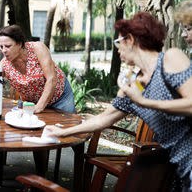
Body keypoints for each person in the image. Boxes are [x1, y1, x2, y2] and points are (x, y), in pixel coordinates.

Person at [43, 12, 192, 191]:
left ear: (130, 40)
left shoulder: (170, 59)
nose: (117, 49)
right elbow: (104, 118)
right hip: (171, 164)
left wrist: (144, 102)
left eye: (118, 43)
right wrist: (63, 132)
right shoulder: (133, 83)